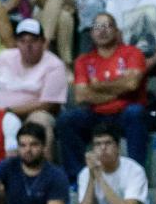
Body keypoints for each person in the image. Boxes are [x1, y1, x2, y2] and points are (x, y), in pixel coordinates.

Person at [59, 14, 149, 179]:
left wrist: (98, 86)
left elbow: (132, 84)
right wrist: (119, 90)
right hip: (96, 115)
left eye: (107, 26)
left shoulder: (132, 53)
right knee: (67, 120)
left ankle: (137, 175)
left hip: (125, 112)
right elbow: (81, 96)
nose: (102, 31)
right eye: (97, 27)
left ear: (116, 31)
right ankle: (77, 179)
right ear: (91, 33)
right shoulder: (83, 60)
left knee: (135, 113)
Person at [0, 19, 67, 146]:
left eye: (33, 41)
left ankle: (44, 165)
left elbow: (47, 105)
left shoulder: (54, 65)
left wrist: (8, 112)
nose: (28, 46)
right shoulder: (5, 57)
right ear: (17, 43)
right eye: (22, 41)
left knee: (41, 120)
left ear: (43, 42)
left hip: (31, 115)